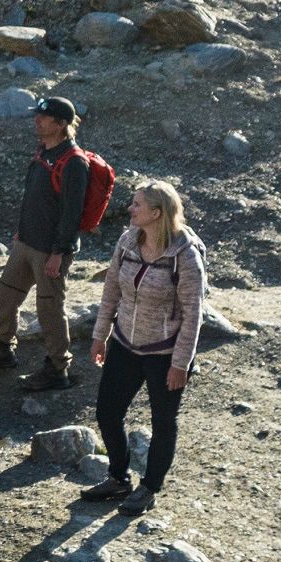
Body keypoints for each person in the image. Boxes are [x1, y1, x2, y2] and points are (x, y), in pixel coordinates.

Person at [78, 180, 206, 515]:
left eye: (137, 204)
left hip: (165, 354)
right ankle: (119, 478)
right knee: (107, 411)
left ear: (157, 212)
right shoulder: (127, 241)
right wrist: (99, 335)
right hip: (124, 344)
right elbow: (111, 292)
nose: (130, 209)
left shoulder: (185, 256)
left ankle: (149, 488)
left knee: (164, 421)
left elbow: (194, 314)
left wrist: (181, 363)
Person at [0, 95, 91, 390]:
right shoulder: (43, 152)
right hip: (26, 243)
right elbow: (34, 198)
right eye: (36, 116)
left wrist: (59, 252)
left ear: (61, 124)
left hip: (51, 251)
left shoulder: (74, 162)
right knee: (7, 294)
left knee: (49, 308)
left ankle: (57, 368)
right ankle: (1, 349)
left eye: (43, 117)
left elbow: (71, 214)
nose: (36, 121)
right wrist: (20, 234)